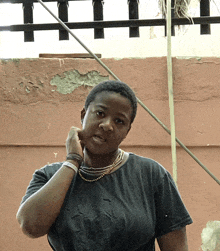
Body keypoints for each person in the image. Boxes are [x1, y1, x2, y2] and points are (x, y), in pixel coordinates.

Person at [17, 80, 193, 251]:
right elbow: (30, 226)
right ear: (83, 115)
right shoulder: (49, 176)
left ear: (127, 131)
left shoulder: (152, 175)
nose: (107, 125)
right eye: (100, 113)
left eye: (119, 121)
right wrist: (72, 161)